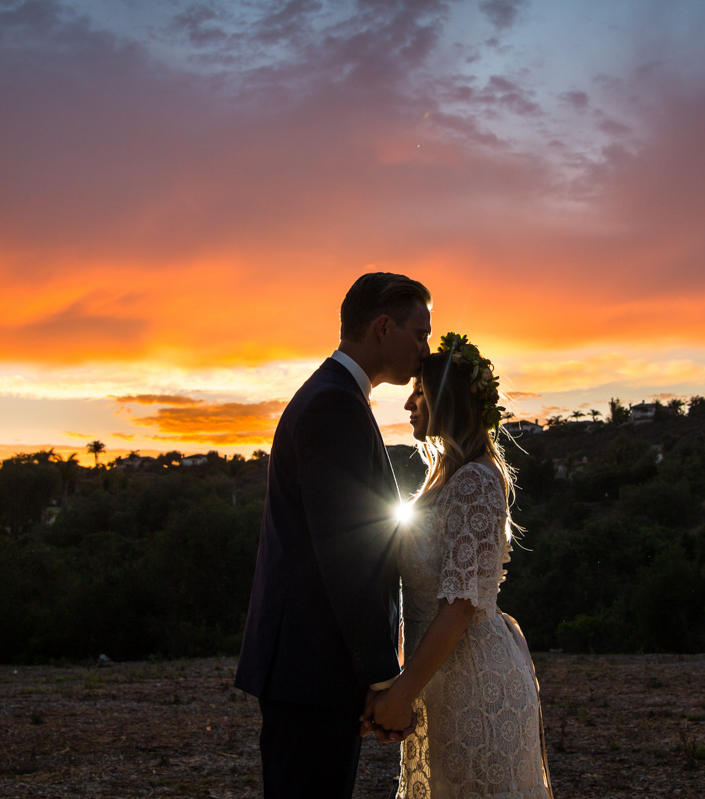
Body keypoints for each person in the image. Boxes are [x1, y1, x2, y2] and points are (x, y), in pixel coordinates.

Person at [235, 272, 433, 799]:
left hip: (308, 668)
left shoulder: (334, 395)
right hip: (311, 669)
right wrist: (382, 679)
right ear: (383, 327)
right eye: (420, 334)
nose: (426, 350)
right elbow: (347, 554)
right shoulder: (333, 404)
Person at [366, 332, 553, 798]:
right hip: (442, 681)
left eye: (420, 393)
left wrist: (400, 696)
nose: (409, 404)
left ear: (446, 400)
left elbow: (459, 607)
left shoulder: (473, 482)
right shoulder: (446, 480)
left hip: (475, 682)